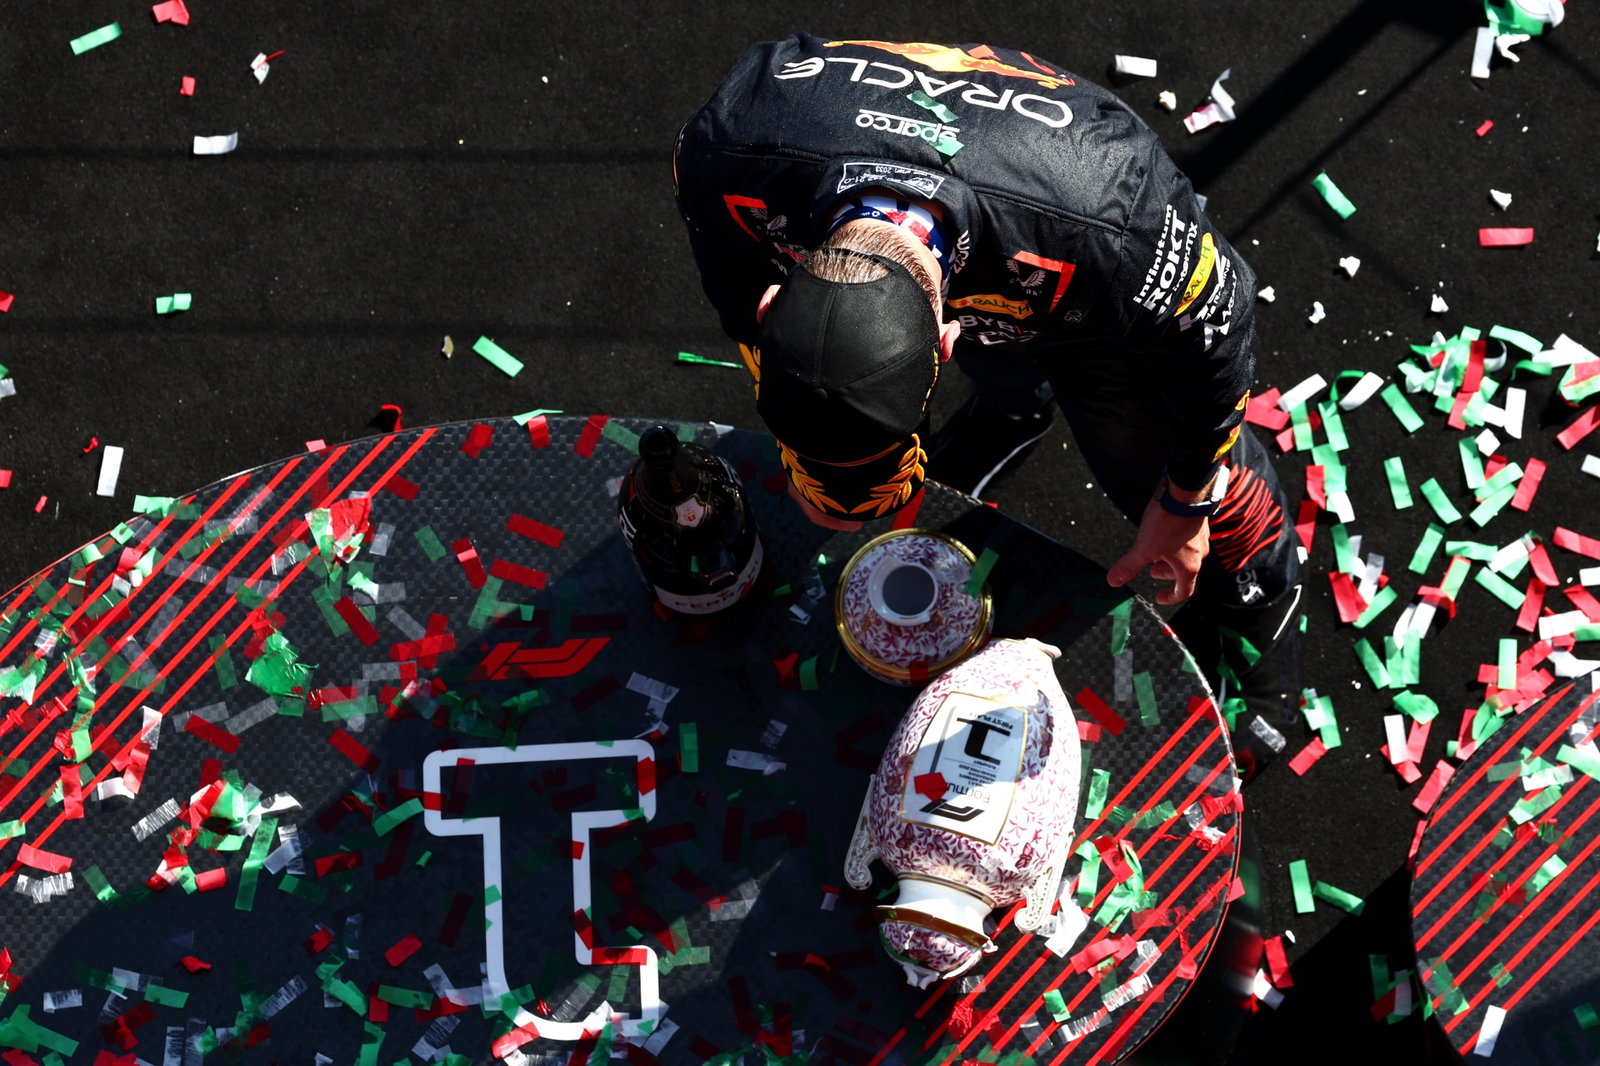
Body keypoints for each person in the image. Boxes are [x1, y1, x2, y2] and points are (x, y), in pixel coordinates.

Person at [672, 34, 1302, 738]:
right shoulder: (721, 153)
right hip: (984, 258)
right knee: (996, 375)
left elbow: (1221, 321)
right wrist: (825, 469)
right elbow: (739, 296)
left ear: (948, 339)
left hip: (1079, 278)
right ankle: (1014, 410)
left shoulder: (1112, 222)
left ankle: (1270, 684)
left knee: (1199, 500)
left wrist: (1187, 500)